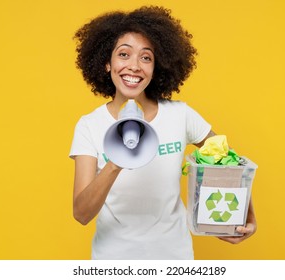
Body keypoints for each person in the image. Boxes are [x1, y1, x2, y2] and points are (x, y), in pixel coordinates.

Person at [69, 6, 257, 260]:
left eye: (146, 58)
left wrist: (247, 215)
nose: (134, 66)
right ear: (106, 62)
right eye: (124, 54)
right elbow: (81, 214)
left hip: (175, 258)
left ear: (156, 67)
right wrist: (117, 161)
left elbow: (229, 163)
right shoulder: (89, 125)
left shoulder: (180, 115)